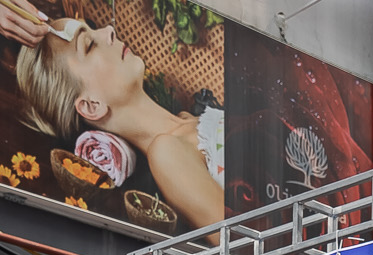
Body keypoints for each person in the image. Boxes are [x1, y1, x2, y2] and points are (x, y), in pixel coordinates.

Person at [14, 18, 226, 229]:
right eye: (89, 45)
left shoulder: (191, 122)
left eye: (93, 27)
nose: (109, 30)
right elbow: (243, 247)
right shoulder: (167, 155)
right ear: (91, 105)